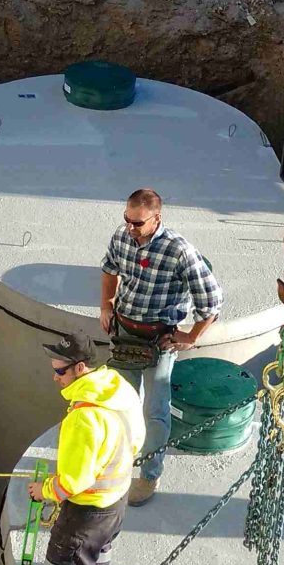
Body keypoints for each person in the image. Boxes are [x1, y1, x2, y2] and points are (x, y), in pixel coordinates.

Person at [10, 335, 146, 565]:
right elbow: (136, 441)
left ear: (80, 368)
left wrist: (44, 490)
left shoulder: (83, 418)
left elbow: (73, 481)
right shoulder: (118, 388)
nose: (54, 377)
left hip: (86, 513)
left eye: (59, 371)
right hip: (114, 504)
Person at [99, 187, 222, 503]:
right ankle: (117, 464)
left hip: (158, 340)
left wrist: (191, 337)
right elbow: (110, 268)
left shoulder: (178, 250)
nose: (130, 227)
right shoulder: (122, 237)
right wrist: (107, 305)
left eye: (137, 223)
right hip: (125, 332)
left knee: (154, 411)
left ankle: (148, 475)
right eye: (127, 219)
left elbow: (211, 300)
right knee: (119, 403)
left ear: (157, 219)